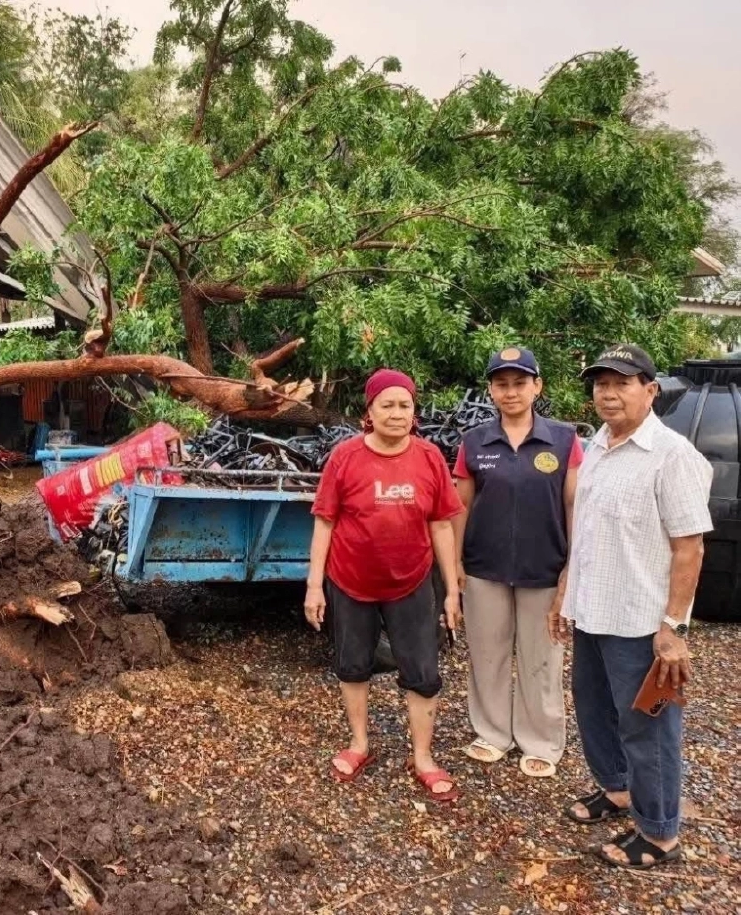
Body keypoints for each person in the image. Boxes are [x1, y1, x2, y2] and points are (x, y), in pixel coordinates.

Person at [550, 343, 711, 870]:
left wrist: (674, 628)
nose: (608, 393)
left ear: (650, 390)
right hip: (593, 612)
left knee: (649, 729)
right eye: (600, 383)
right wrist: (566, 592)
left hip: (641, 624)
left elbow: (690, 547)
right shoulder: (595, 446)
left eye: (622, 382)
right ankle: (618, 792)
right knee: (596, 714)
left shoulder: (672, 456)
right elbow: (589, 532)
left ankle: (660, 832)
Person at [304, 368, 464, 801]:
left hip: (411, 583)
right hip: (350, 581)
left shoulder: (429, 457)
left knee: (423, 672)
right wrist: (314, 586)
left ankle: (424, 757)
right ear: (369, 411)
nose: (397, 413)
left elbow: (442, 526)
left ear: (414, 412)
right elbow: (325, 522)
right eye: (387, 405)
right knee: (352, 665)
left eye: (405, 405)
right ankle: (359, 745)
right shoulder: (345, 457)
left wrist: (451, 589)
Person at [452, 347, 581, 778]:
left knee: (542, 658)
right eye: (501, 384)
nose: (511, 392)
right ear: (490, 390)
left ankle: (541, 739)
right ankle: (491, 733)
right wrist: (453, 565)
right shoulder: (474, 442)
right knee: (486, 655)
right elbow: (460, 508)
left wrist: (570, 570)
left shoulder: (564, 440)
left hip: (543, 570)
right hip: (483, 568)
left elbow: (573, 506)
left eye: (520, 382)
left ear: (537, 386)